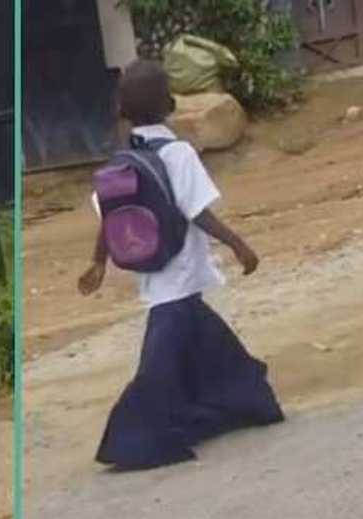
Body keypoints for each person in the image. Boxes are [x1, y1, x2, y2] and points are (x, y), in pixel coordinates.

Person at [78, 59, 284, 471]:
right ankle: (133, 440)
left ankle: (246, 403)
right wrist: (239, 245)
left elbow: (109, 218)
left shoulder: (120, 162)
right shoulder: (178, 153)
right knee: (160, 365)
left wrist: (98, 263)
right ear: (171, 103)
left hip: (153, 273)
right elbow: (198, 213)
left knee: (210, 344)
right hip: (180, 271)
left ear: (122, 111)